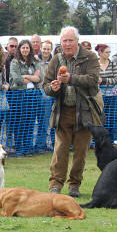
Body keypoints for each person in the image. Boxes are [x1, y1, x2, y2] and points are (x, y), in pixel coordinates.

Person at [42, 26, 101, 197]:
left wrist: (72, 79)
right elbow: (45, 86)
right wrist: (53, 88)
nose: (67, 44)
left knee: (81, 152)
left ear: (77, 41)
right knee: (60, 151)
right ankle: (56, 184)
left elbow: (93, 79)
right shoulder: (56, 60)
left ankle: (74, 185)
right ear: (60, 42)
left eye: (71, 40)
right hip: (63, 111)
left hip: (84, 111)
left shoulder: (90, 57)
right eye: (64, 41)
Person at [9, 39, 43, 151]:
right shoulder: (14, 62)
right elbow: (17, 79)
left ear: (30, 49)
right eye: (23, 47)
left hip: (32, 95)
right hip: (19, 95)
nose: (25, 50)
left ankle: (28, 147)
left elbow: (40, 78)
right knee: (19, 122)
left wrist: (26, 76)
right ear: (19, 49)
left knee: (30, 121)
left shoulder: (35, 61)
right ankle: (19, 148)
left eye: (27, 48)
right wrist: (32, 78)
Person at [95, 44, 117, 136]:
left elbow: (116, 80)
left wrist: (103, 80)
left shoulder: (113, 64)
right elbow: (93, 78)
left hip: (111, 95)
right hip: (98, 95)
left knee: (110, 116)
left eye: (109, 52)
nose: (108, 54)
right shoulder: (94, 65)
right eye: (106, 52)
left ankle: (110, 136)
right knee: (99, 116)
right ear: (100, 53)